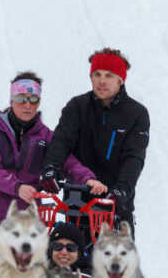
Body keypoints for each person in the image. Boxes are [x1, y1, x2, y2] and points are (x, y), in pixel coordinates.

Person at [0, 71, 103, 277]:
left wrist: (88, 178)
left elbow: (67, 161)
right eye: (21, 99)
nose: (27, 105)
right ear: (12, 99)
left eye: (33, 100)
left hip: (27, 220)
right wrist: (17, 187)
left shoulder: (45, 136)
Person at [40, 48, 150, 234]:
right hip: (77, 198)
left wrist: (121, 190)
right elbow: (61, 142)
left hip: (115, 202)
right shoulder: (77, 107)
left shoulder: (136, 114)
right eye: (97, 74)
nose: (101, 81)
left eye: (109, 75)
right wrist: (51, 168)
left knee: (116, 261)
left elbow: (134, 157)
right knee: (73, 258)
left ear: (120, 79)